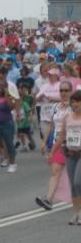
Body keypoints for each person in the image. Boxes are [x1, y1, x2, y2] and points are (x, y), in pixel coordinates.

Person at [36, 81, 73, 211]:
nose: (63, 93)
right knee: (55, 171)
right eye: (61, 90)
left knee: (75, 175)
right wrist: (44, 142)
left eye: (66, 90)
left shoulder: (75, 107)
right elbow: (51, 126)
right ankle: (49, 199)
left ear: (71, 92)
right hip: (57, 144)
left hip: (73, 145)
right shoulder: (55, 106)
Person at [57, 90, 81, 224]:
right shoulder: (68, 117)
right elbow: (62, 134)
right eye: (73, 102)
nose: (75, 104)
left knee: (79, 182)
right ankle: (76, 212)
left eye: (77, 101)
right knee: (73, 185)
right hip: (70, 153)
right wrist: (55, 148)